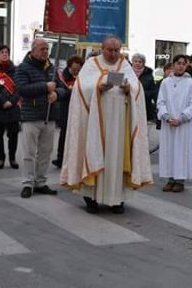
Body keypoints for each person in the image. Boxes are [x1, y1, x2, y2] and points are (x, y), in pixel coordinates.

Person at [61, 36, 152, 214]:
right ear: (102, 48)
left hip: (120, 125)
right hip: (95, 123)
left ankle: (117, 199)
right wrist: (98, 88)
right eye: (109, 50)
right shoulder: (91, 64)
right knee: (95, 152)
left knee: (117, 158)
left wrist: (129, 91)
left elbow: (137, 89)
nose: (113, 54)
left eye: (116, 50)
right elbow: (81, 89)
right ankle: (91, 198)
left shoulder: (125, 65)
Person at [15, 38, 64, 198]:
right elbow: (22, 89)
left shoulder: (52, 68)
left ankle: (40, 182)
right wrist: (44, 87)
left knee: (45, 152)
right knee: (28, 153)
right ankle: (27, 183)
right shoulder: (23, 67)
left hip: (49, 116)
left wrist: (57, 94)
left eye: (47, 49)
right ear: (33, 49)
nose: (45, 52)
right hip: (31, 116)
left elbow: (64, 89)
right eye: (42, 49)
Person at [156, 54, 192, 193]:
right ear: (173, 65)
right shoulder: (165, 82)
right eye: (178, 63)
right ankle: (170, 179)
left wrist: (181, 118)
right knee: (169, 150)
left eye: (183, 64)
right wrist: (166, 116)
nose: (181, 66)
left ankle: (180, 180)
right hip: (169, 123)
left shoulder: (191, 83)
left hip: (184, 124)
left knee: (182, 150)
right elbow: (160, 102)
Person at [0, 45, 20, 170]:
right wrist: (2, 101)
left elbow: (19, 88)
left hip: (13, 106)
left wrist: (11, 101)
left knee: (13, 135)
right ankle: (1, 158)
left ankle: (12, 158)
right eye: (2, 52)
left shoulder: (16, 70)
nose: (5, 54)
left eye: (6, 52)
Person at [52, 55, 84, 169]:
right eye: (74, 69)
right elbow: (62, 92)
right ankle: (60, 158)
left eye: (78, 70)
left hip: (79, 108)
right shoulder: (62, 77)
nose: (76, 72)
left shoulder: (83, 76)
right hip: (65, 108)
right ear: (69, 67)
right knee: (64, 134)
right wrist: (71, 92)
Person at [131, 53, 156, 124]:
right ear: (132, 62)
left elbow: (152, 91)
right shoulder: (127, 72)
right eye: (135, 61)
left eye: (140, 62)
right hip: (130, 104)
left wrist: (142, 94)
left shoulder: (148, 75)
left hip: (144, 105)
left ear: (143, 63)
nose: (137, 63)